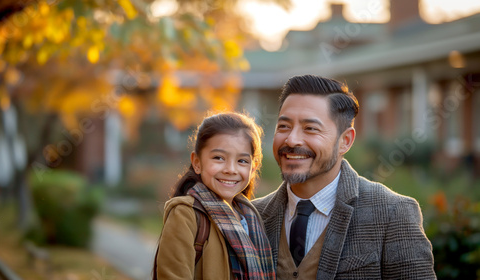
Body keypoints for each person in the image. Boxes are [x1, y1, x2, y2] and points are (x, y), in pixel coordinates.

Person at [253, 75, 436, 279]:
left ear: (345, 141)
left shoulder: (393, 213)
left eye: (310, 129)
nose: (291, 139)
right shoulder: (252, 216)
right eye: (284, 126)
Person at [154, 112, 276, 280]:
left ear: (253, 168)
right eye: (219, 158)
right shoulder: (185, 214)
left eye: (242, 161)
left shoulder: (252, 217)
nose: (230, 169)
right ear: (197, 163)